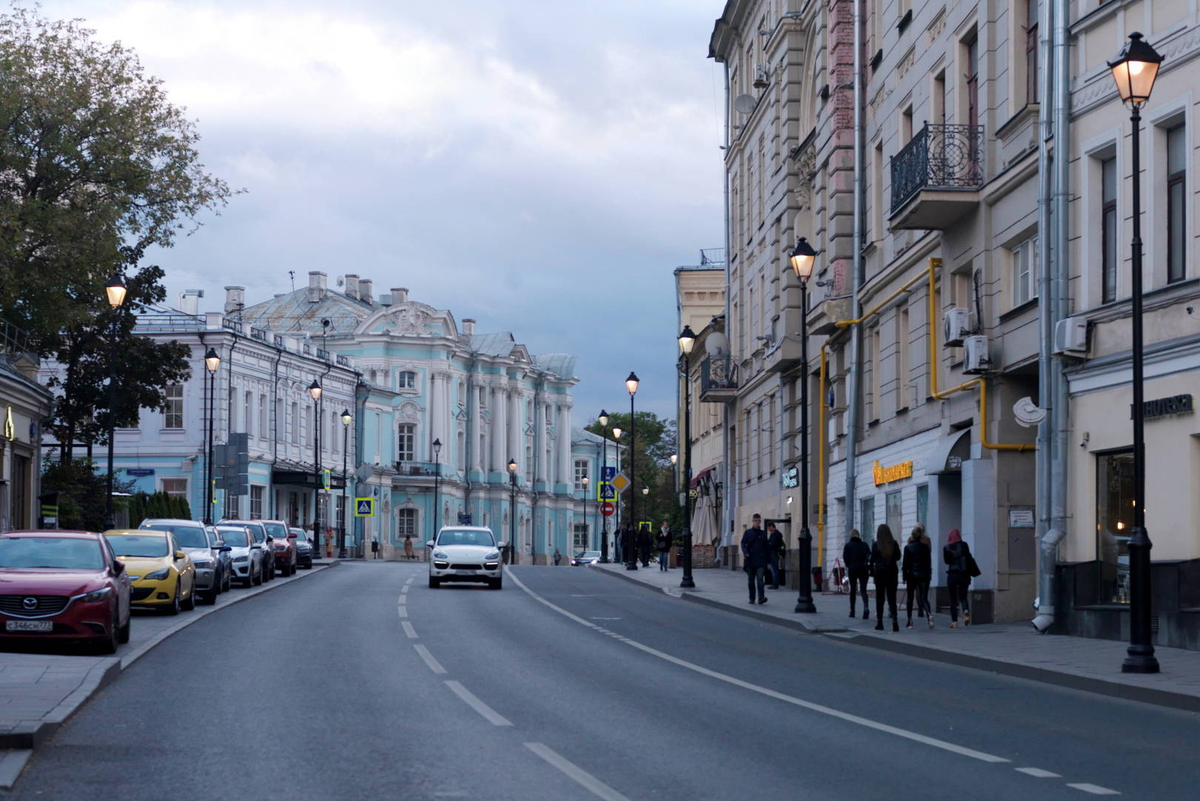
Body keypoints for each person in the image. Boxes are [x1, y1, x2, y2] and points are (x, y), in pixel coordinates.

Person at [870, 524, 901, 632]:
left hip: (880, 573)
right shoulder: (894, 544)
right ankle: (895, 622)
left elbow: (872, 559)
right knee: (892, 598)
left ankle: (880, 623)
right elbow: (898, 557)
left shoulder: (876, 545)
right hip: (892, 572)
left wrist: (871, 571)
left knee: (880, 598)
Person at [902, 525, 933, 629]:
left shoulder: (908, 548)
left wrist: (904, 577)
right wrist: (929, 575)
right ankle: (929, 615)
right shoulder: (925, 548)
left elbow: (905, 564)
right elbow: (928, 563)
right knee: (924, 597)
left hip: (911, 575)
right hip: (924, 575)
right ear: (920, 536)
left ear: (912, 536)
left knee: (910, 598)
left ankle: (910, 621)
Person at [944, 528, 973, 628]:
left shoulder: (946, 547)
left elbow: (946, 561)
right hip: (963, 574)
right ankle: (965, 610)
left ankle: (954, 622)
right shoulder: (964, 545)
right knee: (963, 596)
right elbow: (968, 558)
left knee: (952, 599)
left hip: (952, 574)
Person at [741, 513, 770, 605]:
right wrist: (745, 552)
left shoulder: (763, 533)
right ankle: (752, 598)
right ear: (753, 521)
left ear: (760, 521)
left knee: (760, 580)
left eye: (759, 520)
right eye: (756, 520)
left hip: (761, 561)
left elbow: (766, 547)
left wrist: (768, 560)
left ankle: (761, 597)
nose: (757, 522)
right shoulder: (748, 532)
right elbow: (743, 543)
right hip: (750, 560)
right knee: (751, 581)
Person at [843, 529, 871, 620]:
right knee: (863, 590)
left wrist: (850, 565)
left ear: (851, 536)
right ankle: (866, 608)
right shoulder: (864, 545)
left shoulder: (848, 546)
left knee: (853, 591)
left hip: (853, 569)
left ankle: (852, 611)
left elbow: (845, 558)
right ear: (859, 536)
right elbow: (869, 556)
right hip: (863, 569)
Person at [766, 523, 785, 589]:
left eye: (768, 528)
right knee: (774, 569)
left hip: (774, 553)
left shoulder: (776, 534)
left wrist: (767, 543)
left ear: (772, 526)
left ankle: (775, 584)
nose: (768, 529)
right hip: (773, 553)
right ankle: (775, 583)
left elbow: (772, 544)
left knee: (774, 569)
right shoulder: (774, 534)